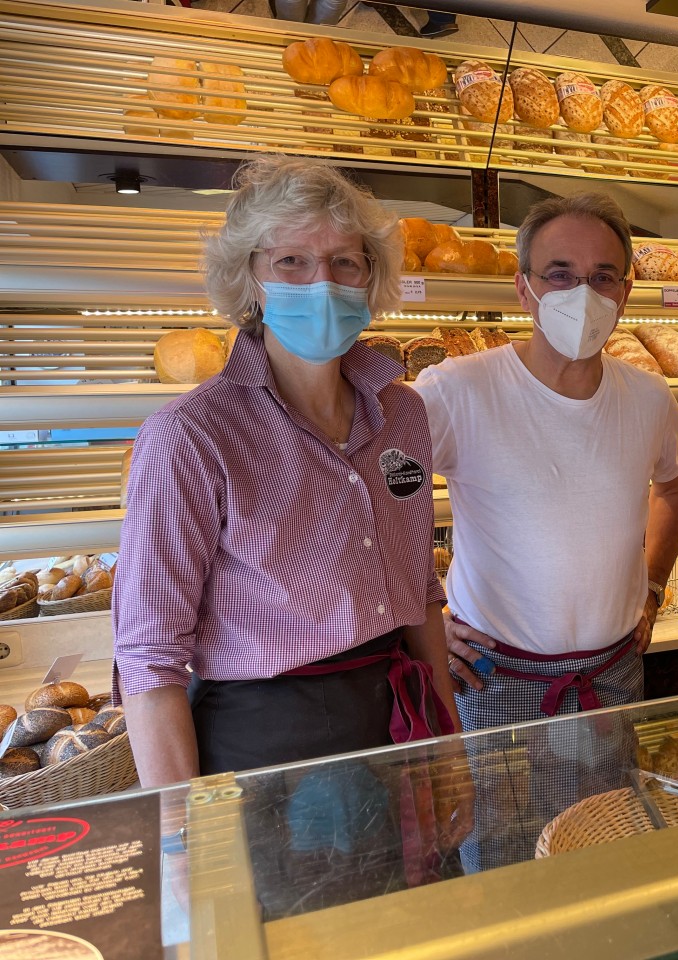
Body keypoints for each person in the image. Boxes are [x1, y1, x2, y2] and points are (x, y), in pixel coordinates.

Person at [113, 155, 467, 912]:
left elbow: (422, 594)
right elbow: (148, 658)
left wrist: (450, 746)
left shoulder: (401, 414)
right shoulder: (191, 436)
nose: (323, 282)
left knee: (411, 928)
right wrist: (181, 839)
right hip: (266, 745)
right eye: (293, 261)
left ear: (371, 280)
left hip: (396, 718)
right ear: (251, 278)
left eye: (346, 262)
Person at [412, 192, 678, 869]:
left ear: (626, 289)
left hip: (611, 674)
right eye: (560, 273)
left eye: (601, 277)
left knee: (602, 859)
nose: (582, 293)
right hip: (493, 678)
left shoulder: (649, 398)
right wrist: (420, 618)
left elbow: (674, 492)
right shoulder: (456, 390)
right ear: (524, 287)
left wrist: (652, 588)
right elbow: (376, 504)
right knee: (502, 870)